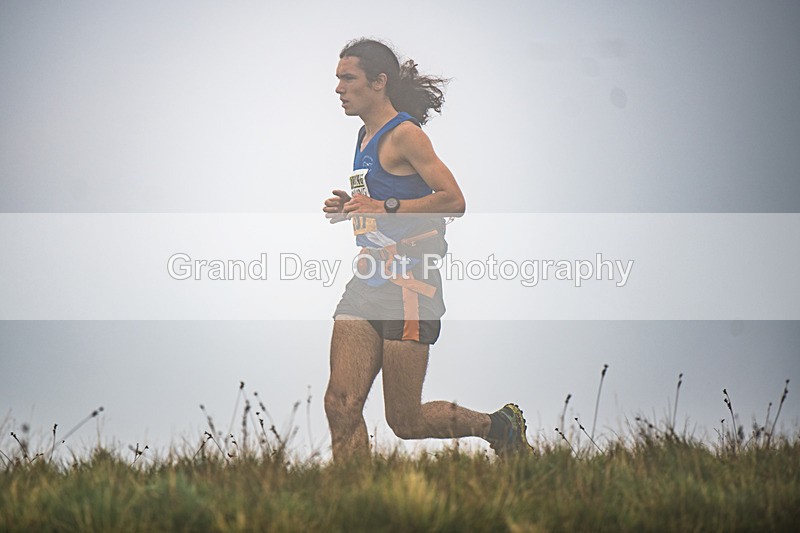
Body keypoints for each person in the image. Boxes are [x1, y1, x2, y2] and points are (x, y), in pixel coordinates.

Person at [322, 38, 533, 461]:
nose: (339, 88)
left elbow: (454, 200)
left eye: (349, 78)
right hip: (367, 279)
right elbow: (384, 197)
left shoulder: (405, 135)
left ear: (379, 82)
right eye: (338, 79)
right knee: (339, 404)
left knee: (406, 421)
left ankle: (500, 427)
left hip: (411, 285)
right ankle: (352, 506)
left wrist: (384, 206)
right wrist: (354, 208)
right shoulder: (363, 135)